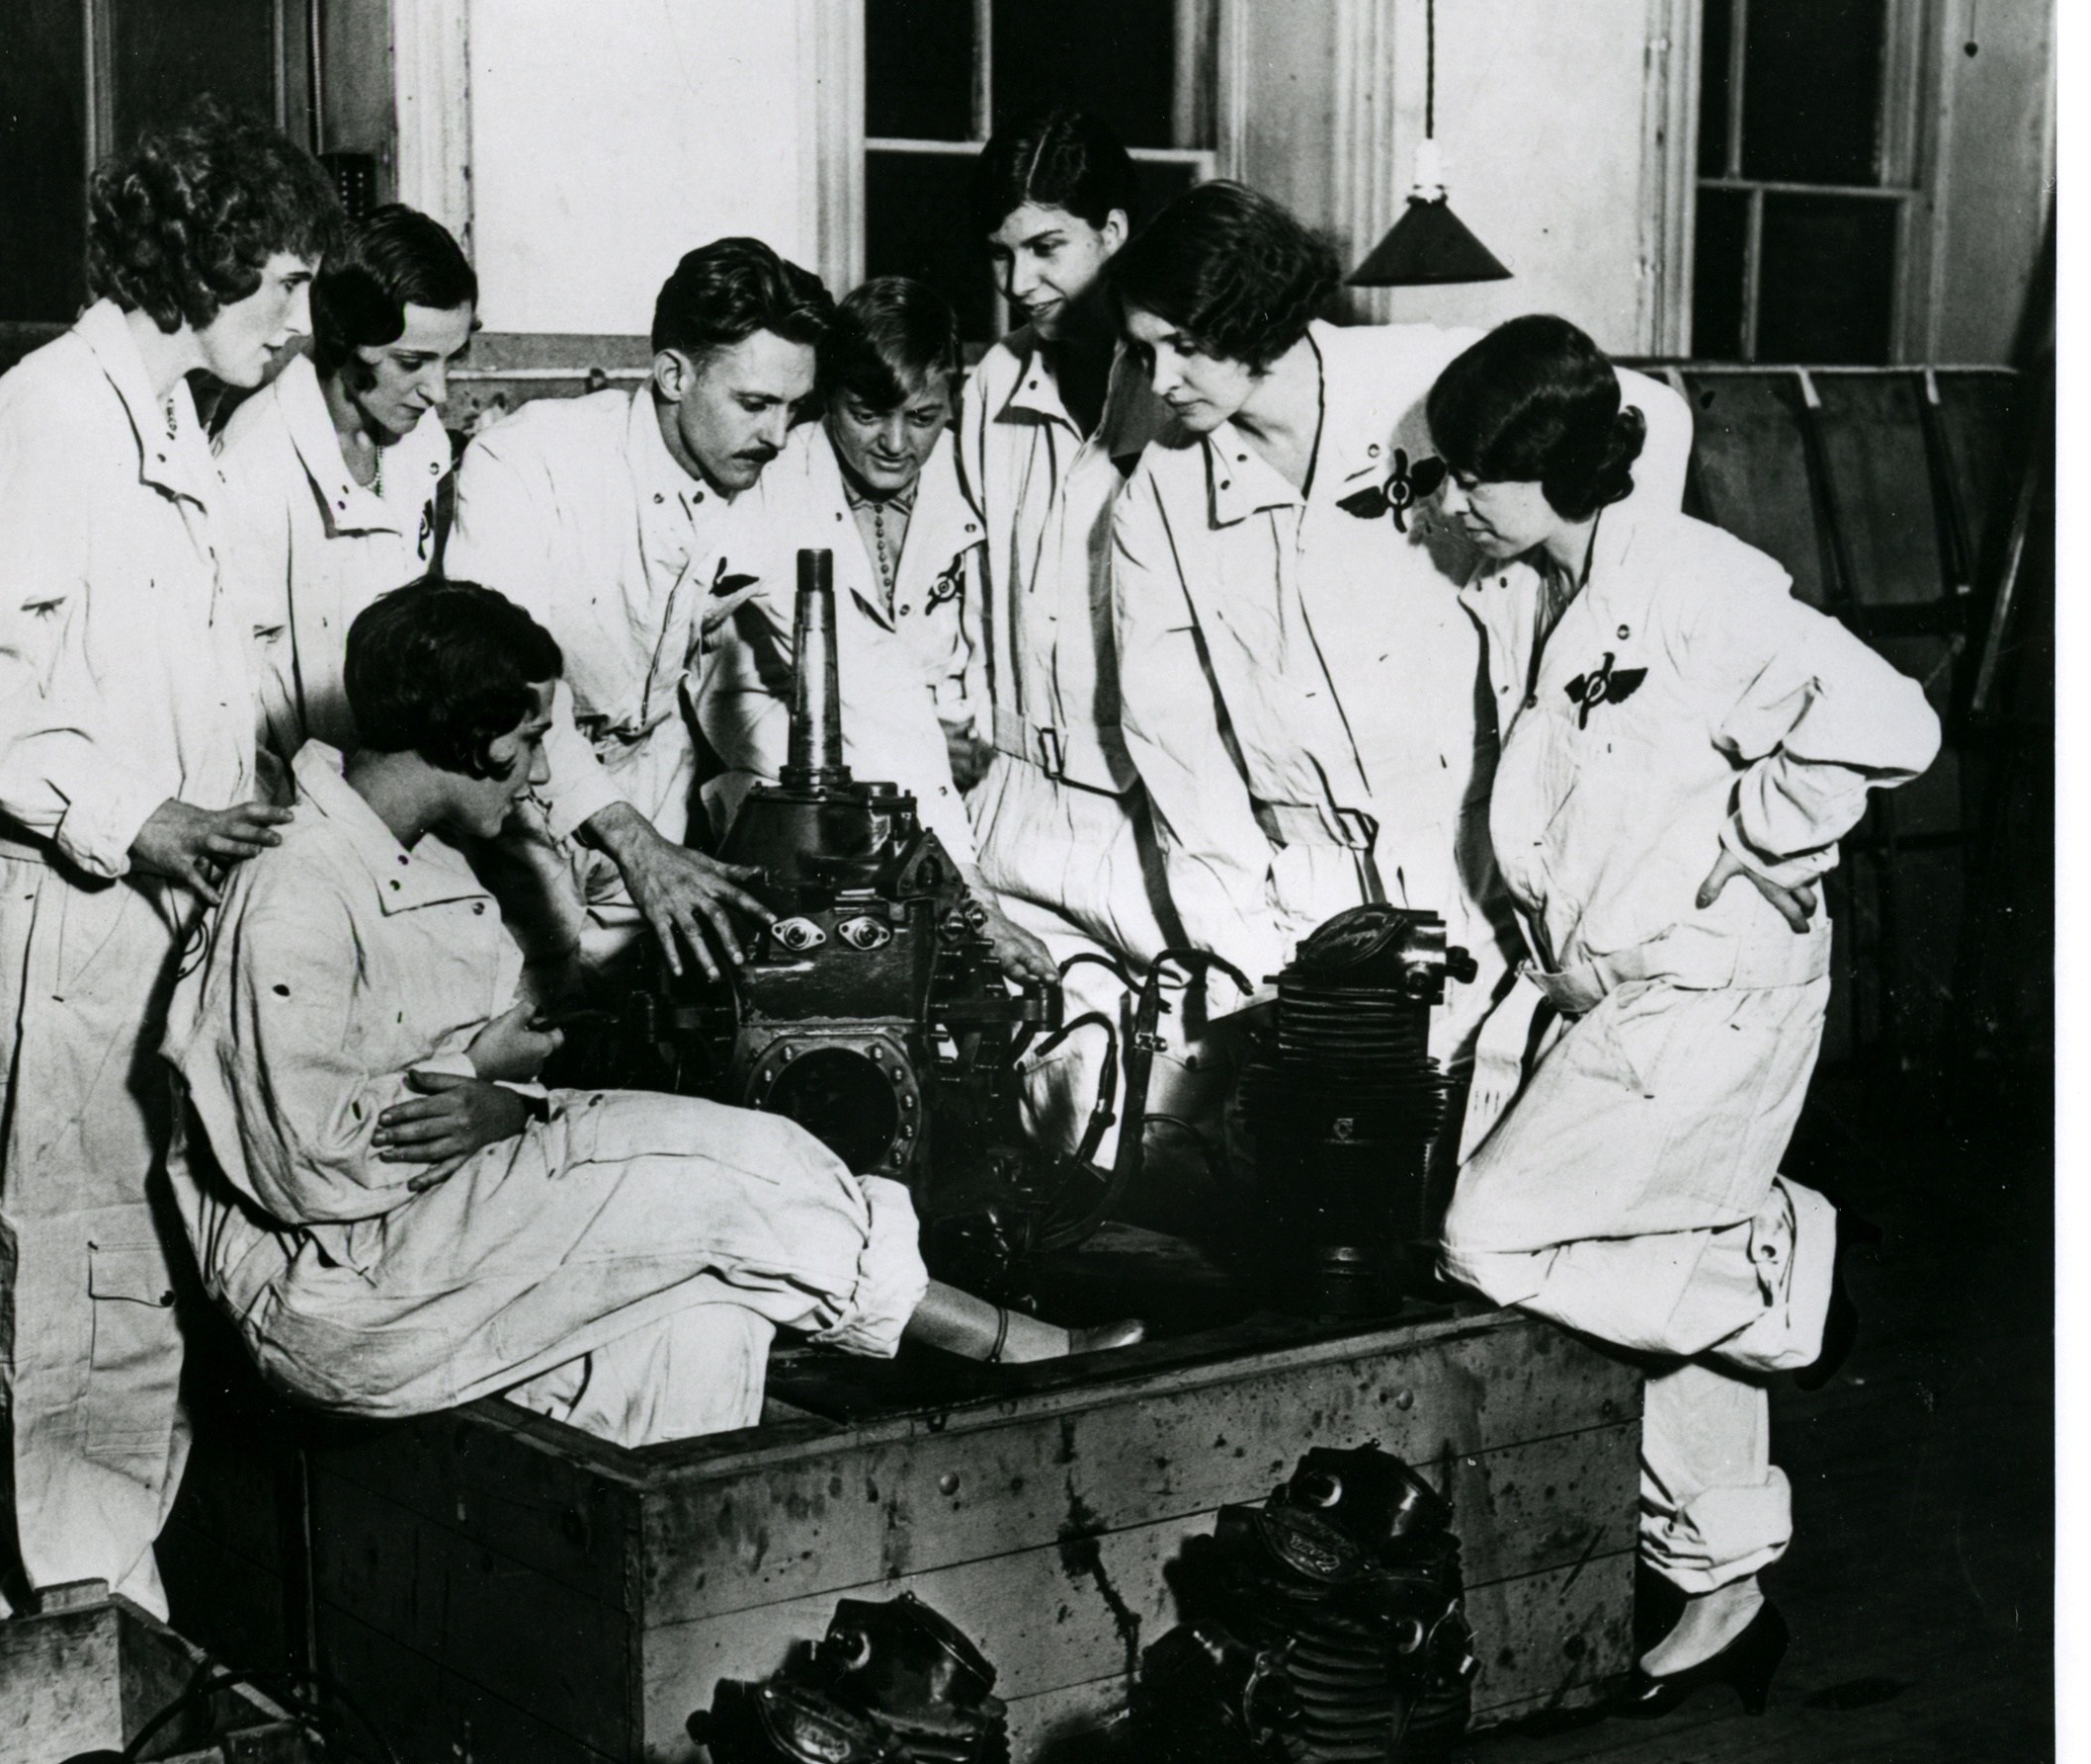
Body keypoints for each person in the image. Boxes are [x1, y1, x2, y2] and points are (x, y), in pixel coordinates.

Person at [163, 579, 1142, 1448]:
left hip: (424, 1245)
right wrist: (489, 1079)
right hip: (337, 1289)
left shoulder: (422, 856)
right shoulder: (295, 889)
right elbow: (308, 1164)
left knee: (710, 1314)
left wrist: (499, 1081)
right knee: (728, 1165)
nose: (543, 773)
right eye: (536, 741)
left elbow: (430, 1071)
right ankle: (1006, 1342)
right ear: (484, 740)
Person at [1428, 316, 1939, 1712]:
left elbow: (1891, 723)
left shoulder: (1698, 583)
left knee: (1488, 1234)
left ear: (1541, 471)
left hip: (1713, 991)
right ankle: (1721, 1579)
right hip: (1626, 992)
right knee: (1633, 1251)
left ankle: (1781, 1268)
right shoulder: (1552, 588)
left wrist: (1764, 840)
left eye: (1470, 473)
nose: (1452, 498)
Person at [0, 100, 346, 1628]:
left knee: (126, 1278)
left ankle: (39, 1606)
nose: (301, 321)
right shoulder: (55, 413)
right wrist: (133, 819)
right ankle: (74, 1628)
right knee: (59, 1281)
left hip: (143, 921)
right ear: (199, 262)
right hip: (56, 915)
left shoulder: (170, 428)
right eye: (282, 283)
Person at [1104, 180, 1693, 1061]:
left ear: (1252, 314)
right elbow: (1174, 749)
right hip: (1309, 886)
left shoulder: (1422, 384)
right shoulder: (1158, 493)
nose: (1161, 382)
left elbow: (1654, 412)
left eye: (1184, 347)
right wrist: (1242, 966)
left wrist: (1589, 600)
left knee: (1502, 1149)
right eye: (1143, 351)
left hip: (1484, 853)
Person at [441, 236, 880, 980]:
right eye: (754, 404)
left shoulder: (765, 473)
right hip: (513, 801)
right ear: (674, 374)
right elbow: (497, 689)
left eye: (793, 408)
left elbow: (869, 672)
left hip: (653, 794)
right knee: (521, 1025)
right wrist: (634, 843)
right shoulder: (527, 461)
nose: (776, 435)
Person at [954, 110, 1189, 1155]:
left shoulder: (1178, 395)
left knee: (1172, 1120)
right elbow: (954, 585)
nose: (1020, 282)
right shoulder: (991, 389)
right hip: (1014, 802)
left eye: (1048, 248)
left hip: (1150, 814)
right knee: (1043, 1118)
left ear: (1116, 233)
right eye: (1004, 254)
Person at [708, 277, 1046, 977]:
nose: (896, 444)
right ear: (825, 399)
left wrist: (966, 722)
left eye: (922, 417)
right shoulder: (774, 483)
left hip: (955, 791)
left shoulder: (969, 474)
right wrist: (969, 897)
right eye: (866, 414)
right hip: (791, 794)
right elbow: (858, 689)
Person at [216, 204, 477, 765]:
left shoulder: (419, 434)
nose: (439, 392)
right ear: (344, 338)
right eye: (413, 362)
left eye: (449, 361)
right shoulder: (251, 463)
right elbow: (230, 695)